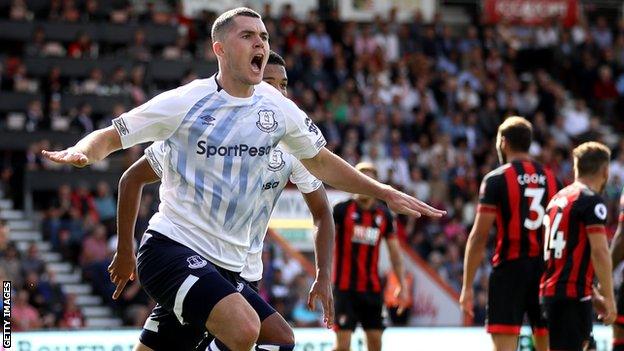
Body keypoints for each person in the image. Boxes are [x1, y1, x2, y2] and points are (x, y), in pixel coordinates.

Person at [41, 8, 444, 351]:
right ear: (219, 49)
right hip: (171, 249)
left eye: (264, 36)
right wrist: (84, 152)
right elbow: (114, 137)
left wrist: (383, 191)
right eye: (248, 35)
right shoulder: (187, 103)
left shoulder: (277, 111)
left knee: (279, 340)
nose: (260, 43)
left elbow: (322, 163)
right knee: (244, 328)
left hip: (227, 268)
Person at [112, 51, 335, 350]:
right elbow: (131, 178)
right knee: (272, 337)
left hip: (240, 271)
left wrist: (323, 274)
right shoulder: (205, 132)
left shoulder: (293, 148)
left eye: (283, 85)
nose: (279, 92)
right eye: (270, 83)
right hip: (193, 257)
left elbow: (322, 211)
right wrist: (125, 247)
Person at [460, 116, 559, 351]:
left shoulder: (496, 179)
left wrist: (467, 286)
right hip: (547, 273)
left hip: (510, 270)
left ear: (503, 142)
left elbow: (479, 236)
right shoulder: (554, 178)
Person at [540, 141, 615, 351]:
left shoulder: (557, 199)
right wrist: (609, 298)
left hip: (553, 293)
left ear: (576, 167)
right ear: (605, 170)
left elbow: (564, 255)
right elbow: (600, 252)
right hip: (571, 298)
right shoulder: (590, 201)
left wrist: (593, 295)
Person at [332, 162, 408, 351]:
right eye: (360, 179)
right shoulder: (341, 210)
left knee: (375, 344)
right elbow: (323, 242)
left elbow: (395, 255)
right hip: (344, 288)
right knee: (343, 346)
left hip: (372, 289)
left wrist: (402, 285)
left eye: (369, 180)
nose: (363, 184)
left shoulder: (385, 216)